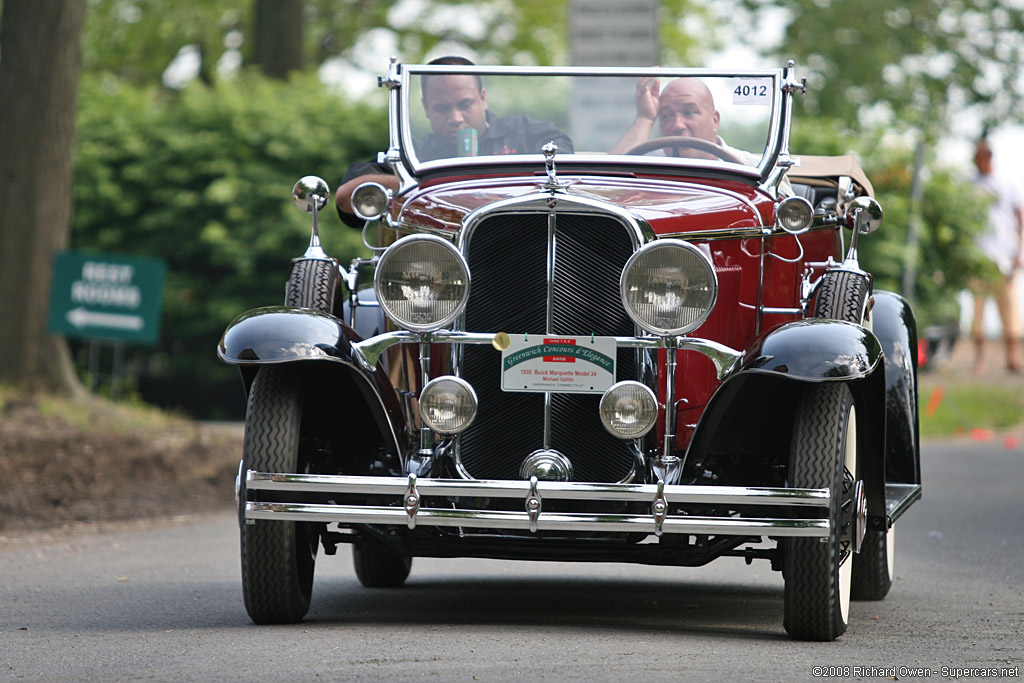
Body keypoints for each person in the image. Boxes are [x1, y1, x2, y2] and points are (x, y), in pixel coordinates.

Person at [335, 56, 572, 227]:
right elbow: (346, 198)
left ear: (483, 99)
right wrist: (413, 183)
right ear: (426, 108)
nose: (456, 118)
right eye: (442, 108)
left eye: (464, 104)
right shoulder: (413, 154)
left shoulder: (528, 134)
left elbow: (568, 173)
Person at [610, 76, 758, 165]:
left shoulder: (750, 168)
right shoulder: (647, 164)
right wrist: (644, 117)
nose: (677, 125)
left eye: (688, 113)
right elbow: (605, 186)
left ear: (715, 121)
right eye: (666, 116)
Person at [969, 137, 1024, 372]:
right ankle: (980, 359)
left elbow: (1019, 217)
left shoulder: (1006, 183)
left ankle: (1012, 358)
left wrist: (1019, 251)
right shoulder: (969, 184)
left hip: (1003, 257)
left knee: (1009, 309)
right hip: (977, 256)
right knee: (978, 312)